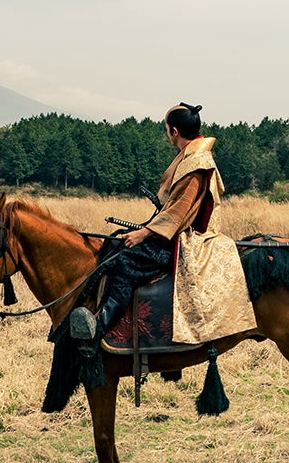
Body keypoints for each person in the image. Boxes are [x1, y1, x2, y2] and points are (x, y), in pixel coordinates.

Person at [68, 101, 224, 346]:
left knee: (124, 262)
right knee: (117, 246)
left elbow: (179, 212)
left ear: (174, 131)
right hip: (172, 232)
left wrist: (143, 233)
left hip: (184, 240)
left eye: (166, 128)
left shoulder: (196, 163)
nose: (167, 133)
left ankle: (100, 327)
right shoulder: (191, 156)